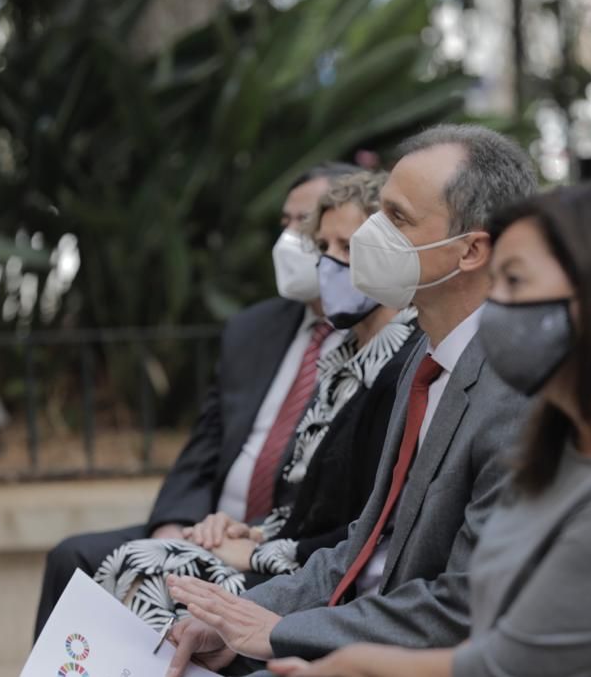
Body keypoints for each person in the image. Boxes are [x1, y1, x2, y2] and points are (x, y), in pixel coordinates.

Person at [260, 182, 591, 677]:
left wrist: (349, 665)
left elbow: (505, 666)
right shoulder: (562, 446)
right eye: (494, 282)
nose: (493, 306)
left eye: (515, 283)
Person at [163, 124, 539, 676]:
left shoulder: (514, 393)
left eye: (398, 218)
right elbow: (361, 549)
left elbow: (463, 605)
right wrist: (241, 619)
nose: (369, 236)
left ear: (472, 249)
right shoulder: (425, 358)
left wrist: (281, 633)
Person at [33, 162, 359, 639]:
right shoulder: (253, 329)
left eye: (306, 224)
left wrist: (248, 538)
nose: (290, 239)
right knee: (73, 556)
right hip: (200, 528)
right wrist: (171, 528)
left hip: (273, 539)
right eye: (284, 223)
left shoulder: (377, 344)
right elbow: (205, 445)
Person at [93, 172, 422, 628]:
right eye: (323, 247)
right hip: (277, 547)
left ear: (390, 254)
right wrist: (245, 530)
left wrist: (256, 549)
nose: (329, 263)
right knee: (135, 564)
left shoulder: (401, 367)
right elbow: (304, 502)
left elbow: (370, 525)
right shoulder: (342, 359)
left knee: (148, 577)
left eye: (348, 247)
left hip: (322, 577)